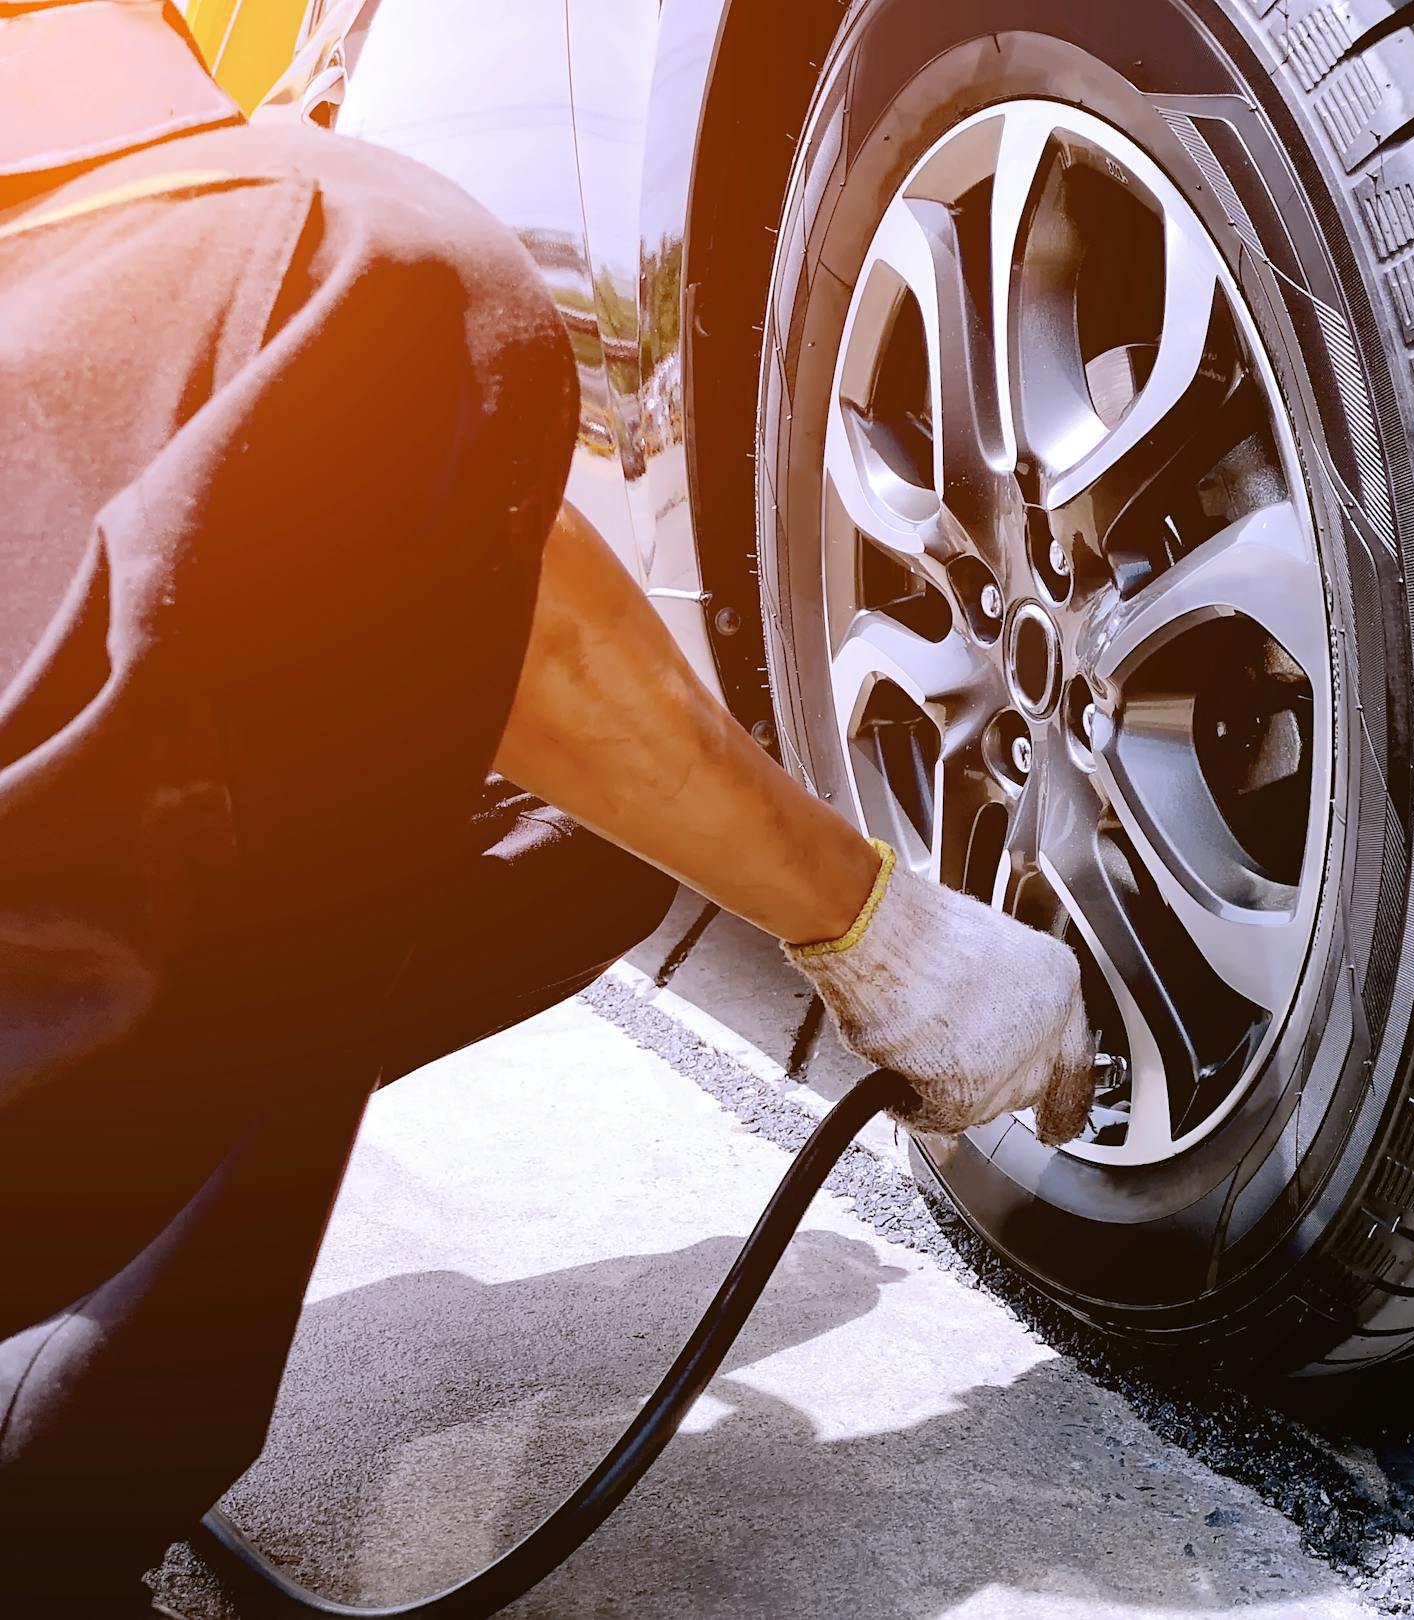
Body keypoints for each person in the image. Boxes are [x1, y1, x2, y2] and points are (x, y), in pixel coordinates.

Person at [0, 3, 1096, 1611]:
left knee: (564, 837)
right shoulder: (236, 215)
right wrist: (885, 936)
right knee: (376, 300)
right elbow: (414, 483)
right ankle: (56, 1479)